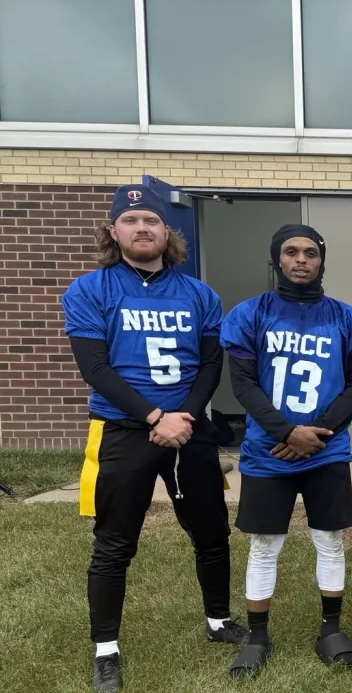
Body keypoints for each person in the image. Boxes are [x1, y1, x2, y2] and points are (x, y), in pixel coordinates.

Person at [62, 185, 245, 692]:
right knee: (114, 542)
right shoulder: (90, 289)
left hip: (189, 429)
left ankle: (218, 620)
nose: (141, 228)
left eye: (150, 220)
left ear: (167, 231)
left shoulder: (200, 294)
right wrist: (154, 417)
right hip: (124, 429)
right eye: (130, 220)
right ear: (113, 231)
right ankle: (106, 650)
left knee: (211, 532)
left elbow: (210, 363)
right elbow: (95, 368)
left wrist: (184, 417)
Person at [220, 225, 352, 677]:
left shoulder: (347, 319)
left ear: (322, 260)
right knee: (264, 544)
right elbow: (243, 384)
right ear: (277, 259)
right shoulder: (251, 314)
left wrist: (316, 434)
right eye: (291, 252)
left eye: (311, 252)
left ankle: (331, 630)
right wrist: (287, 432)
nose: (301, 260)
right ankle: (257, 636)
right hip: (268, 450)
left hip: (326, 450)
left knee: (330, 539)